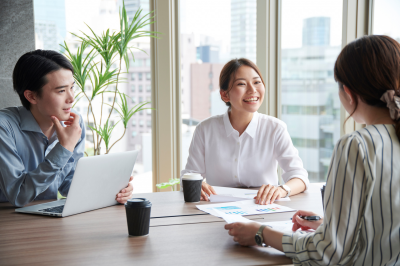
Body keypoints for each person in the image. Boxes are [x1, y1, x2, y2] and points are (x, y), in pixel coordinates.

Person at [224, 35, 400, 265]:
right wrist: (330, 226)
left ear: (347, 92)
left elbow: (326, 252)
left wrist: (261, 233)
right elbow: (383, 227)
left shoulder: (356, 145)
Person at [0, 50, 133, 207]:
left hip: (47, 216)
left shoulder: (73, 124)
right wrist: (64, 148)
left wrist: (113, 190)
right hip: (8, 220)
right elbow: (18, 196)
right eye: (61, 90)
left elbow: (69, 184)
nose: (71, 98)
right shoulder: (4, 128)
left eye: (72, 87)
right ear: (32, 96)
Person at [181, 58, 309, 204]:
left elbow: (300, 176)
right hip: (217, 209)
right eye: (241, 84)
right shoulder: (205, 130)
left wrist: (282, 189)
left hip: (264, 208)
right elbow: (190, 175)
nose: (252, 90)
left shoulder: (275, 128)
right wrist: (199, 186)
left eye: (257, 82)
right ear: (224, 95)